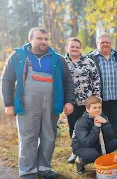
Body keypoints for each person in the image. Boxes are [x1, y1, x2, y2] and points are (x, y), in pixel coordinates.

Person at [1, 27, 74, 179]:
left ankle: (43, 168)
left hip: (51, 105)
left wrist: (69, 101)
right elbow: (7, 79)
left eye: (46, 39)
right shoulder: (19, 56)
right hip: (27, 105)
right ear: (30, 39)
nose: (43, 41)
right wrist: (8, 104)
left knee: (49, 137)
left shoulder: (58, 59)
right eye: (39, 38)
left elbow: (68, 81)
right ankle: (28, 171)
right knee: (28, 138)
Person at [64, 37, 101, 163]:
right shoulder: (62, 62)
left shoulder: (88, 61)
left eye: (77, 47)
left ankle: (90, 150)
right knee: (73, 127)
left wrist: (97, 98)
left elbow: (96, 80)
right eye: (72, 46)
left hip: (87, 103)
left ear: (80, 48)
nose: (75, 49)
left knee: (88, 126)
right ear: (67, 48)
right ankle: (76, 151)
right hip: (71, 103)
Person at [86, 34, 117, 140]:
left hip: (115, 97)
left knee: (115, 121)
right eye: (102, 42)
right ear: (97, 44)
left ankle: (113, 143)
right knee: (99, 121)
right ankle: (101, 144)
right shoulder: (90, 58)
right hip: (99, 99)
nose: (105, 44)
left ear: (110, 44)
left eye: (107, 42)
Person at [71, 96, 117, 174]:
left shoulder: (102, 116)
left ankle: (100, 158)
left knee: (114, 143)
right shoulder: (81, 122)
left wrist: (106, 124)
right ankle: (80, 161)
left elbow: (110, 136)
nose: (98, 110)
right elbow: (87, 143)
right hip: (81, 146)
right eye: (94, 108)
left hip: (96, 142)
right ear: (88, 109)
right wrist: (96, 127)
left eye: (99, 107)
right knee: (93, 154)